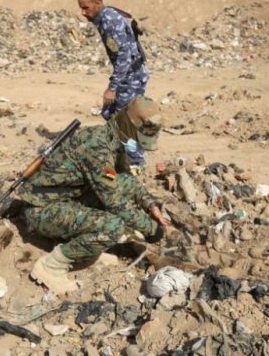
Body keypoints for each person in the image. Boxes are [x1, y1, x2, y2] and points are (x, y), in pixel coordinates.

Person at [14, 97, 167, 294]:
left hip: (67, 199)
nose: (139, 145)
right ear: (129, 127)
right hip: (42, 210)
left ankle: (88, 247)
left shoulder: (112, 139)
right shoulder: (97, 148)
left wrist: (149, 204)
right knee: (113, 226)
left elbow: (126, 178)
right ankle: (51, 266)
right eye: (139, 138)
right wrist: (152, 230)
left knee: (123, 184)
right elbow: (114, 202)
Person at [78, 0, 149, 122]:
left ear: (98, 4)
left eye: (86, 8)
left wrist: (112, 88)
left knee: (118, 119)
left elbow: (124, 56)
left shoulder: (109, 22)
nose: (83, 13)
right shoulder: (105, 17)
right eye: (81, 8)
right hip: (130, 74)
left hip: (131, 77)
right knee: (111, 114)